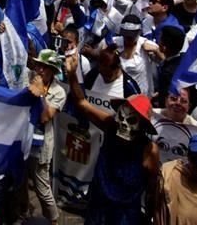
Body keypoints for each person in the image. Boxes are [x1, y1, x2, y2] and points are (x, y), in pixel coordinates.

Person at [65, 54, 159, 225]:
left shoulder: (148, 150)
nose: (123, 124)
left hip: (125, 215)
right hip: (98, 206)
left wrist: (150, 215)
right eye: (121, 117)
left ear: (142, 125)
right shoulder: (110, 125)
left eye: (131, 120)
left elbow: (152, 187)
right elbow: (82, 103)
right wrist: (72, 74)